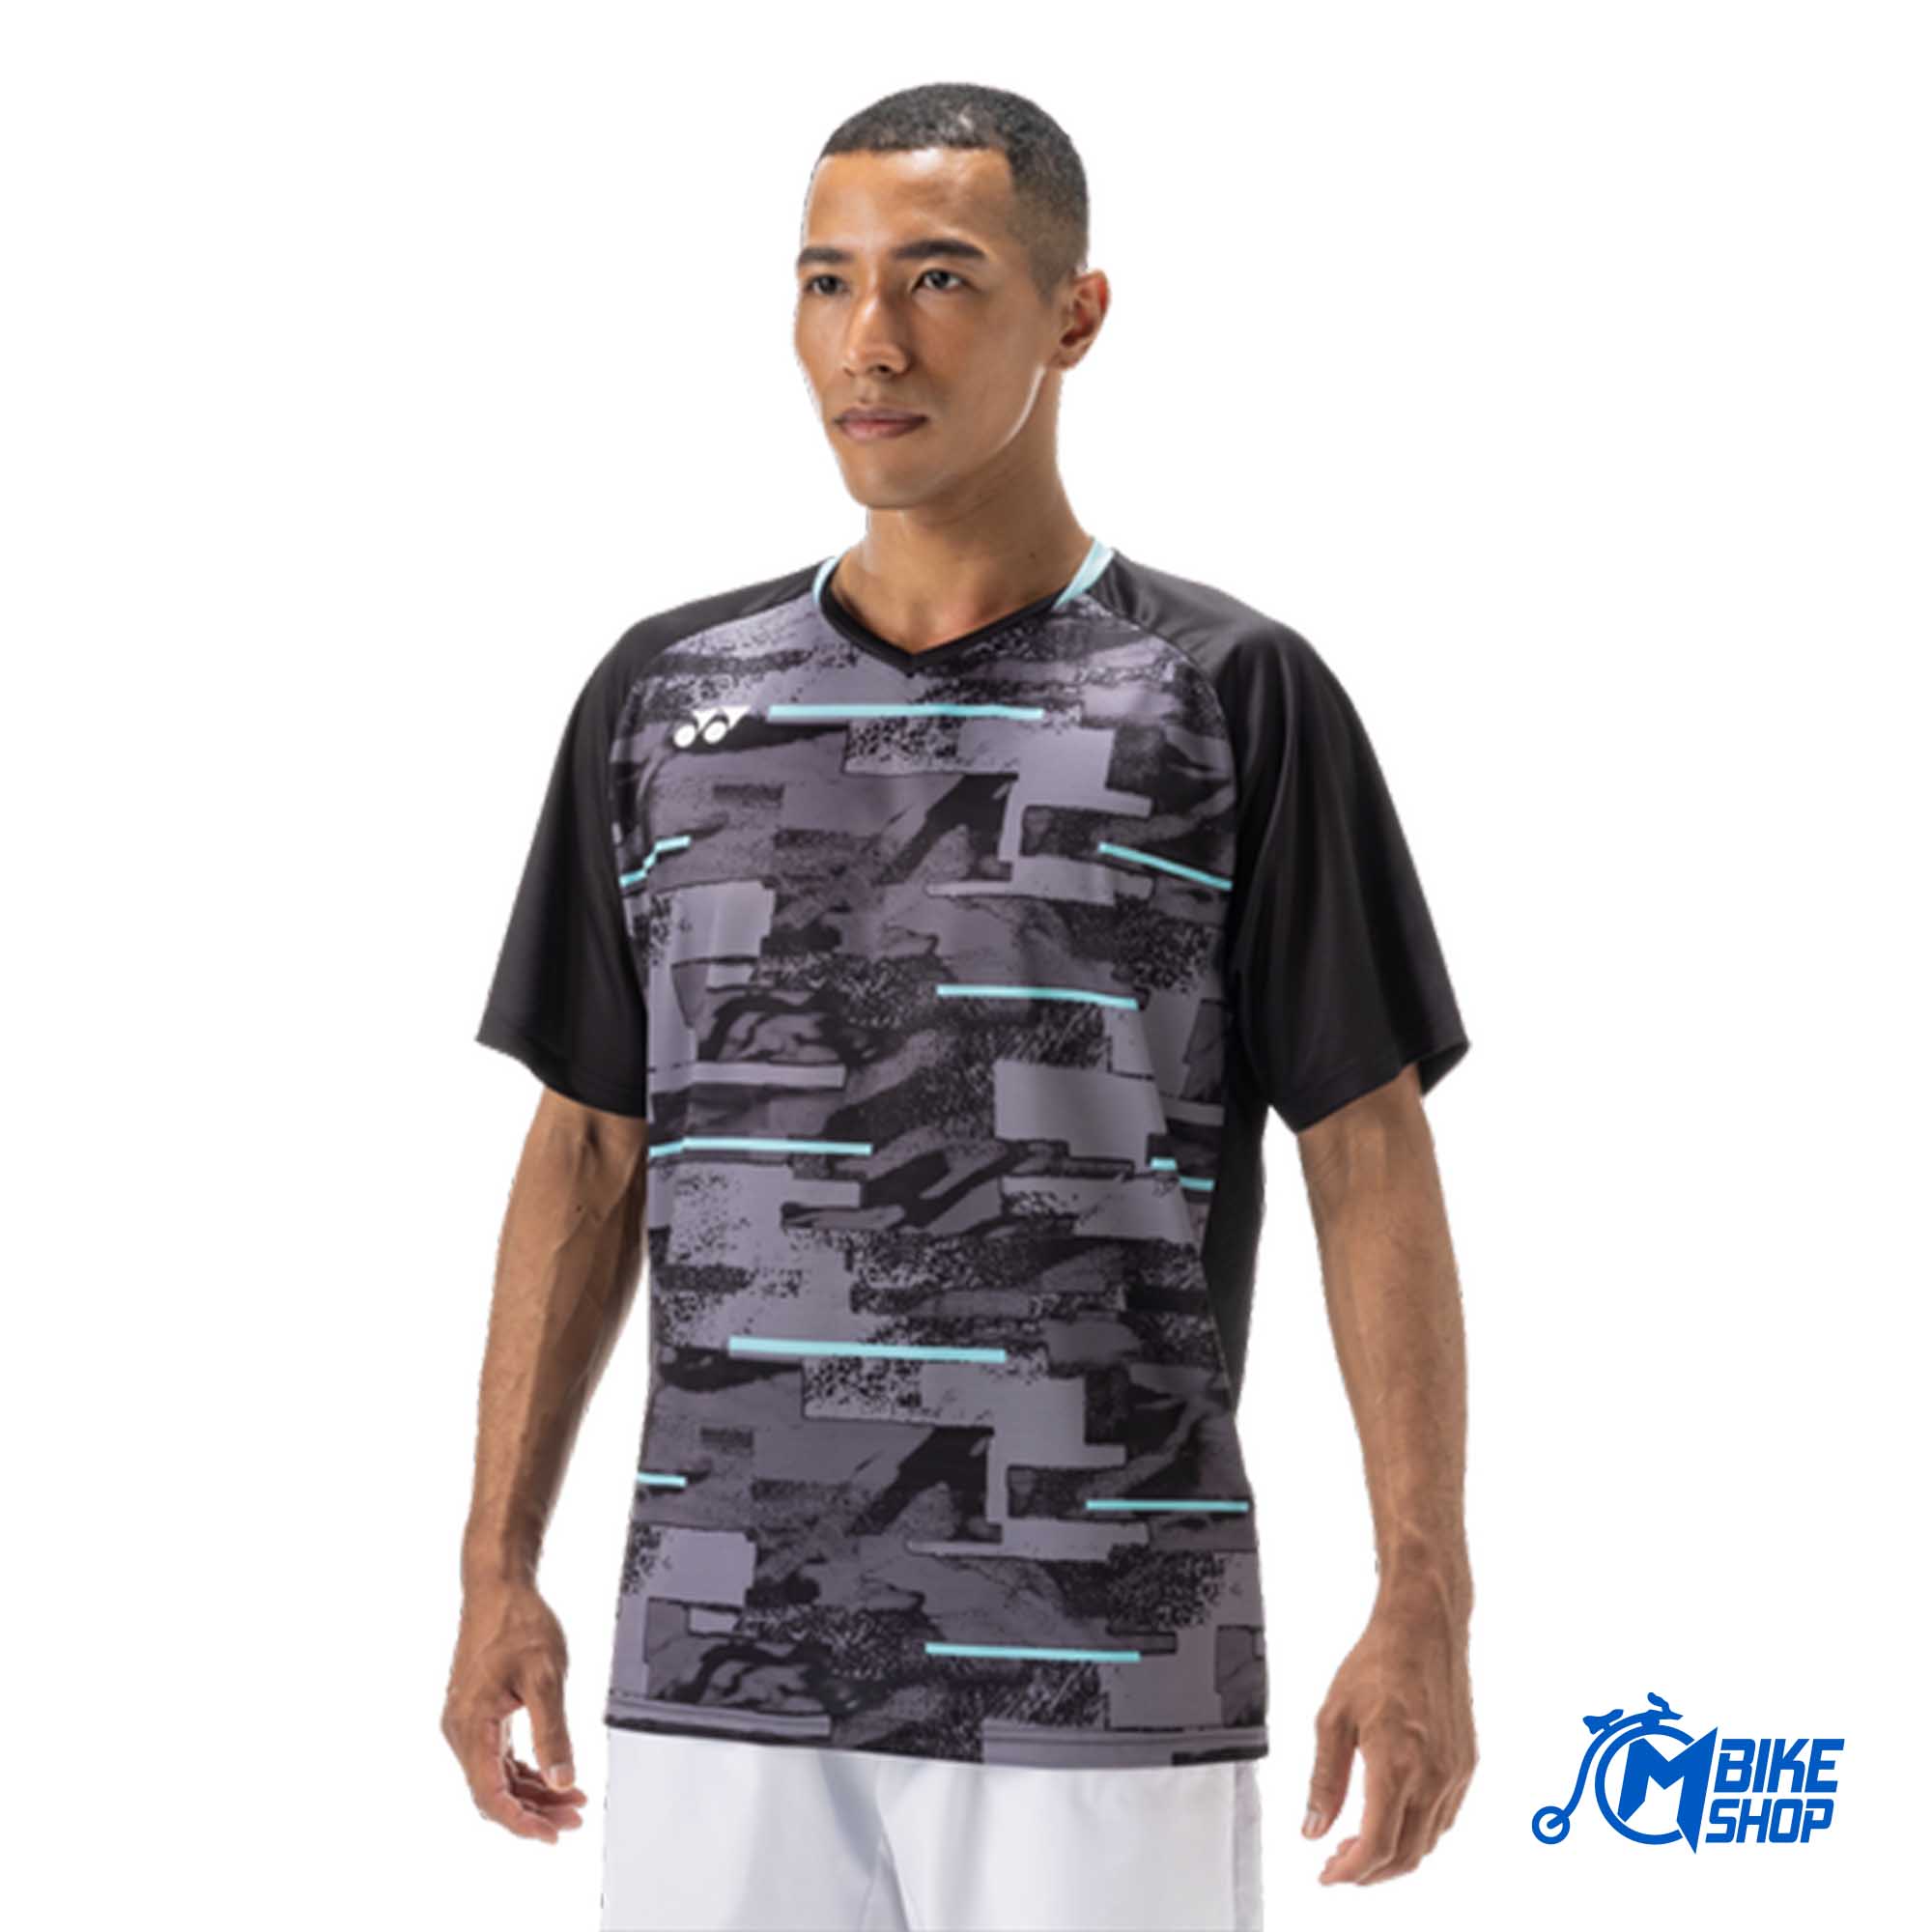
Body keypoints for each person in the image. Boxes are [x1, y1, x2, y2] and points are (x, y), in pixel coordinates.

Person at [445, 80, 1476, 1931]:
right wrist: (492, 1567)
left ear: (1074, 315)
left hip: (1101, 1659)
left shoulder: (1226, 696)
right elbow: (590, 1145)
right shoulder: (665, 697)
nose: (871, 341)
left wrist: (1426, 1595)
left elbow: (1368, 1153)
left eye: (938, 278)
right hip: (724, 1658)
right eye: (826, 280)